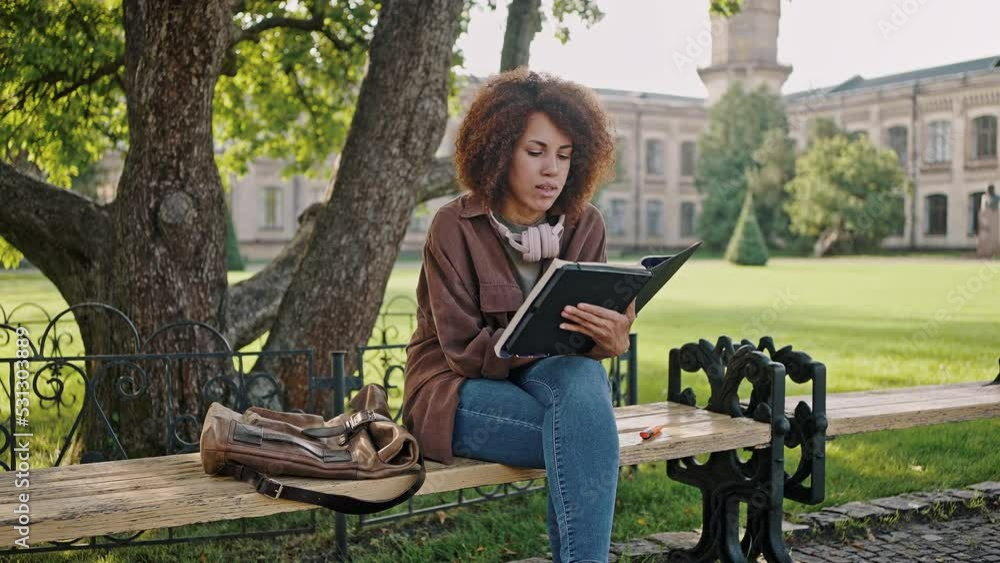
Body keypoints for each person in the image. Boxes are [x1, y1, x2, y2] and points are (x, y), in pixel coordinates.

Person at [402, 68, 629, 563]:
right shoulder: (452, 227)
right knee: (582, 429)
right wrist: (550, 341)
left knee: (581, 386)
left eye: (565, 156)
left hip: (548, 384)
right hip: (454, 391)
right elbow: (463, 350)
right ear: (500, 150)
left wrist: (611, 339)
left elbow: (586, 345)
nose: (553, 170)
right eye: (536, 152)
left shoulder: (585, 224)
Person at [977, 184, 999, 259]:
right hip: (987, 217)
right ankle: (985, 253)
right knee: (985, 237)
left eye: (991, 189)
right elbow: (983, 208)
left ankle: (994, 252)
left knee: (994, 236)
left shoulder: (997, 197)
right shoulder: (985, 197)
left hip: (994, 217)